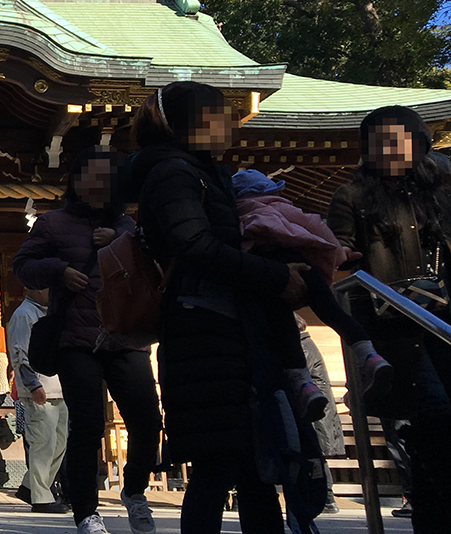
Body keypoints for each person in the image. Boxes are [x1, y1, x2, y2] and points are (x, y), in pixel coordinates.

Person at [127, 82, 301, 534]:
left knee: (249, 466)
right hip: (203, 330)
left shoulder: (203, 173)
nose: (232, 123)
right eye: (221, 114)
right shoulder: (173, 173)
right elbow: (196, 245)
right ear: (193, 123)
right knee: (218, 466)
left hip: (227, 330)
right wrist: (276, 277)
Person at [14, 148, 161, 534]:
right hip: (75, 337)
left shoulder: (129, 227)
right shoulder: (52, 223)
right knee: (87, 424)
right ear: (76, 182)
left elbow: (156, 267)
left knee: (147, 420)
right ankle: (86, 512)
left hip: (126, 334)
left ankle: (134, 490)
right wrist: (58, 270)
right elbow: (22, 265)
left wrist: (121, 241)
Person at [328, 105, 451, 531]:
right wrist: (337, 255)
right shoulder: (353, 196)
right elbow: (336, 250)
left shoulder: (443, 188)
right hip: (397, 325)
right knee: (434, 414)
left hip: (446, 320)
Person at [231, 168, 390, 420]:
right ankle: (369, 355)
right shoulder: (285, 209)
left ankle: (304, 386)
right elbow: (318, 231)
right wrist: (341, 253)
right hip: (305, 268)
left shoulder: (238, 216)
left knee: (285, 330)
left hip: (269, 278)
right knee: (333, 312)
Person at [6, 289, 68, 513]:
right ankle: (41, 497)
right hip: (40, 388)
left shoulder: (50, 312)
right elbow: (19, 353)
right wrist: (33, 385)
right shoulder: (24, 314)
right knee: (43, 444)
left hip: (59, 388)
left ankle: (29, 486)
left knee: (59, 444)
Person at [297, 315, 344, 514]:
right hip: (315, 409)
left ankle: (326, 498)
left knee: (314, 453)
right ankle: (323, 497)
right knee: (313, 453)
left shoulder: (302, 346)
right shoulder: (306, 344)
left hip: (313, 411)